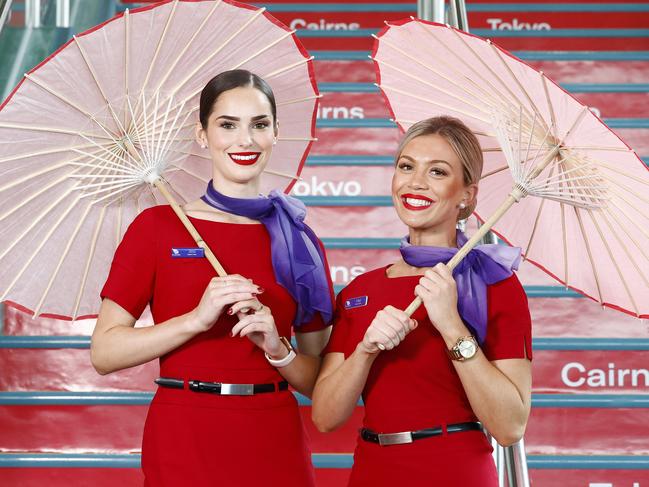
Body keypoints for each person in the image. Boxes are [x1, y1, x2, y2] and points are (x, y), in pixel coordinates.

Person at [91, 69, 334, 487]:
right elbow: (105, 352)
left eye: (259, 125)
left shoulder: (300, 241)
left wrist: (279, 350)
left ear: (276, 132)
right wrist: (196, 320)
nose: (245, 140)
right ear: (202, 135)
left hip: (273, 436)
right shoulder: (158, 226)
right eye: (227, 125)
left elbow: (324, 386)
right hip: (184, 432)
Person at [311, 116, 532, 486]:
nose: (416, 182)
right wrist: (365, 349)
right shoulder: (358, 292)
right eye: (406, 166)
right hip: (372, 471)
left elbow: (510, 427)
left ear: (466, 195)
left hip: (454, 470)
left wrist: (451, 325)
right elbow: (325, 417)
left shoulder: (496, 285)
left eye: (438, 172)